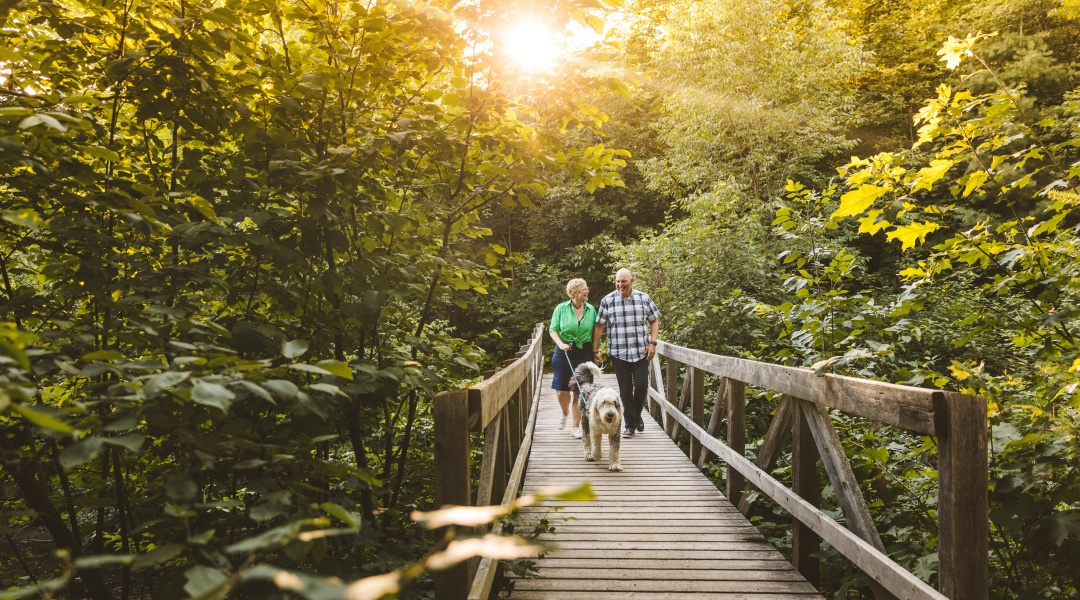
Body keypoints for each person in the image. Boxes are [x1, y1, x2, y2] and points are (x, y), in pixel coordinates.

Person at [592, 268, 660, 438]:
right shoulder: (607, 300)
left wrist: (653, 343)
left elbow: (654, 320)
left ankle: (636, 415)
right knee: (625, 390)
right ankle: (630, 424)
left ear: (632, 281)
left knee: (642, 385)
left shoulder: (644, 298)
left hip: (640, 352)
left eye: (624, 281)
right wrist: (596, 349)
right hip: (618, 352)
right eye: (618, 281)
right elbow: (599, 326)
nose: (620, 284)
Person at [549, 278, 596, 439]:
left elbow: (595, 333)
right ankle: (564, 412)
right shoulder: (561, 309)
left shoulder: (591, 309)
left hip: (584, 352)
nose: (587, 291)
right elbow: (553, 330)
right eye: (585, 289)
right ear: (575, 292)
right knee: (562, 390)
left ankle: (576, 427)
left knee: (580, 390)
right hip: (564, 351)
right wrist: (560, 344)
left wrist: (597, 351)